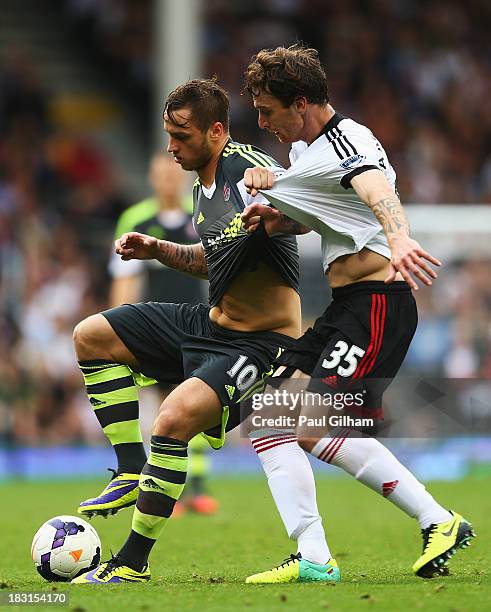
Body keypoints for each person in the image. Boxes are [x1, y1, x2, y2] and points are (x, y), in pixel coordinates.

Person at [72, 78, 338, 584]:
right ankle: (130, 467)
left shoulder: (247, 168)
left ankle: (130, 563)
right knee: (91, 334)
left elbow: (304, 212)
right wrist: (157, 250)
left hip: (263, 344)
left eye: (182, 136)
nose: (172, 147)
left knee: (170, 421)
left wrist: (279, 198)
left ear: (216, 131)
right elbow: (212, 258)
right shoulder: (202, 182)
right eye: (168, 135)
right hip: (210, 326)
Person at [239, 44, 475, 582]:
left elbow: (375, 190)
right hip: (348, 307)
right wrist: (272, 218)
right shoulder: (303, 154)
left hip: (378, 306)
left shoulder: (348, 140)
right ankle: (314, 558)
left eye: (267, 110)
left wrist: (399, 238)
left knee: (311, 422)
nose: (260, 121)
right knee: (271, 420)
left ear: (300, 103)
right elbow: (316, 216)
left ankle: (437, 519)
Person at [77, 153, 217, 518]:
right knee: (165, 404)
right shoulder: (136, 219)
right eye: (160, 174)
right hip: (157, 325)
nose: (168, 180)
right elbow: (124, 276)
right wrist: (116, 325)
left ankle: (194, 489)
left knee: (193, 403)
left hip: (200, 322)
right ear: (152, 179)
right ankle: (163, 486)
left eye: (173, 173)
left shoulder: (200, 212)